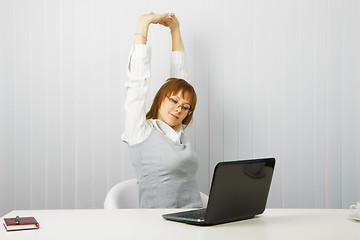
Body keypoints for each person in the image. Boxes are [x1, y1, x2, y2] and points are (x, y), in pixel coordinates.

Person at [122, 12, 203, 208]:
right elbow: (137, 84)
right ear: (160, 98)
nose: (179, 109)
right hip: (160, 224)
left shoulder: (179, 132)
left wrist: (175, 30)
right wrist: (143, 25)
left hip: (197, 219)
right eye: (174, 100)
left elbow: (181, 80)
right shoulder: (140, 132)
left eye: (186, 108)